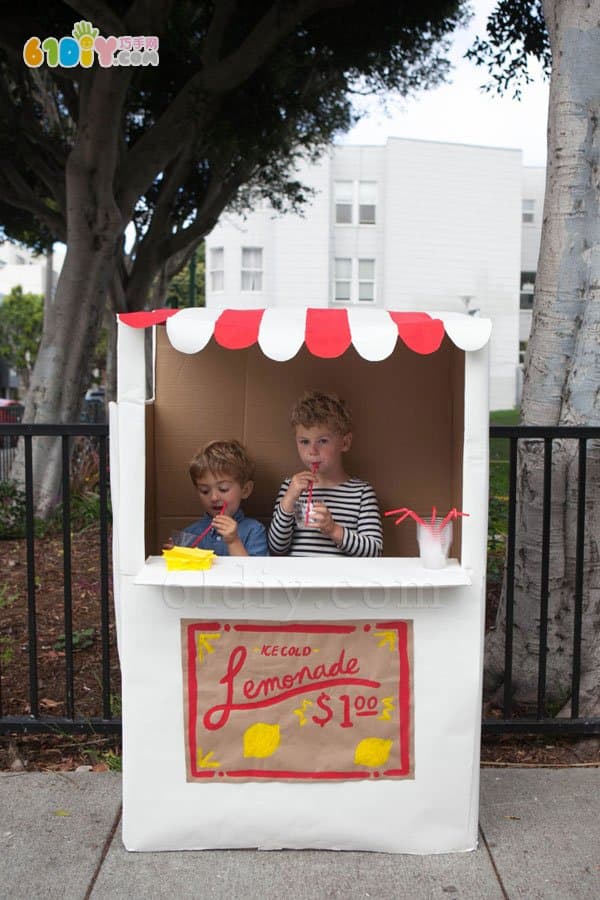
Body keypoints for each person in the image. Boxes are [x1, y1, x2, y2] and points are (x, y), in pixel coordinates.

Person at [268, 391, 383, 557]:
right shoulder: (290, 487)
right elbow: (276, 548)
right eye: (304, 442)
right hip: (297, 580)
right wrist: (288, 501)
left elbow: (375, 552)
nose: (312, 451)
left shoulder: (362, 494)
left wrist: (333, 529)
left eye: (322, 441)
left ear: (345, 442)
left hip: (342, 581)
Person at [182, 440, 268, 557]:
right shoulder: (189, 533)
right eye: (205, 491)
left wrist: (234, 542)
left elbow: (254, 573)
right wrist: (176, 554)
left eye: (223, 489)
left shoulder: (254, 531)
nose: (213, 497)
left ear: (245, 490)